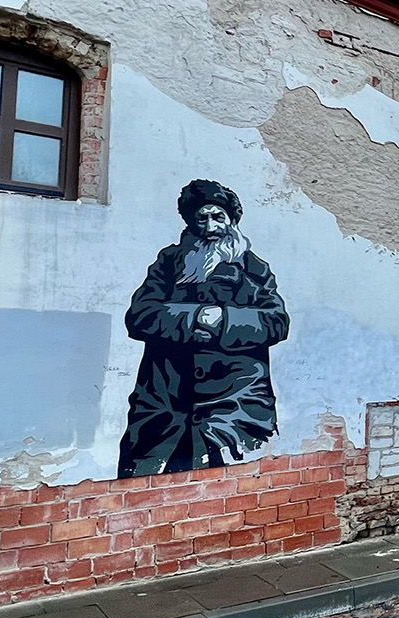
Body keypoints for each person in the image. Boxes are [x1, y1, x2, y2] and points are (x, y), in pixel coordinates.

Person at [119, 179, 289, 476]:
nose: (211, 227)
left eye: (218, 217)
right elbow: (140, 315)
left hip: (235, 411)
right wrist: (195, 317)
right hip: (163, 410)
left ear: (232, 221)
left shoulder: (253, 268)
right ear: (191, 223)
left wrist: (223, 321)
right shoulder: (169, 263)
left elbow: (276, 322)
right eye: (202, 218)